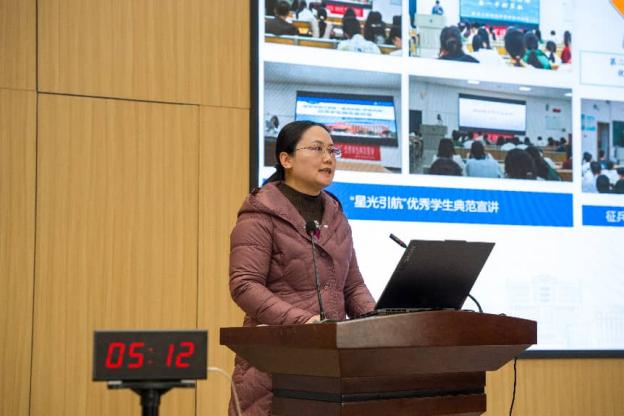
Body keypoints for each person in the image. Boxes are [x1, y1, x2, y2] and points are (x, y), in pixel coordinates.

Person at [228, 120, 376, 416]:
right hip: (275, 364)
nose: (328, 158)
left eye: (332, 151)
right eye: (317, 149)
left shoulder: (336, 215)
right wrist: (304, 322)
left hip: (331, 366)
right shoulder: (260, 213)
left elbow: (352, 286)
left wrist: (378, 322)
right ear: (286, 160)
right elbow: (244, 284)